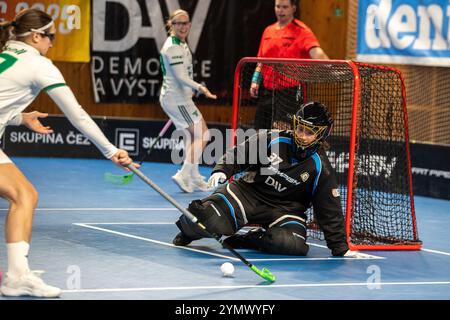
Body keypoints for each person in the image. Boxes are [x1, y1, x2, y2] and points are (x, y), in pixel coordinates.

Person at [0, 9, 136, 298]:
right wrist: (111, 151)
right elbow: (78, 115)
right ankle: (16, 277)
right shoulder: (39, 65)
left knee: (23, 195)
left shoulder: (5, 54)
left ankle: (17, 274)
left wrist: (19, 118)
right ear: (36, 36)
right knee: (24, 195)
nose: (52, 43)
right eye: (50, 37)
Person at [172, 101, 364, 258]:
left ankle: (248, 240)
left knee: (293, 244)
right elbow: (240, 153)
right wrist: (222, 170)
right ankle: (188, 232)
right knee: (206, 220)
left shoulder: (321, 168)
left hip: (286, 209)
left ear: (321, 134)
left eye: (309, 132)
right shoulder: (273, 139)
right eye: (300, 129)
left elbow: (329, 211)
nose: (302, 136)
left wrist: (341, 248)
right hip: (247, 194)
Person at [159, 9, 217, 193]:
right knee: (204, 135)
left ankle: (193, 176)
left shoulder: (180, 43)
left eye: (186, 23)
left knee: (194, 136)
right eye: (178, 23)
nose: (183, 27)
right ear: (171, 25)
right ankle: (184, 174)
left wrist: (189, 90)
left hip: (180, 96)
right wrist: (200, 88)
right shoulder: (172, 47)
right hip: (176, 99)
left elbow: (182, 76)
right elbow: (180, 76)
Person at [250, 0, 329, 130]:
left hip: (290, 90)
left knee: (281, 128)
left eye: (285, 7)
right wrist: (255, 80)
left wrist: (332, 67)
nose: (280, 10)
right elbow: (261, 60)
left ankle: (283, 150)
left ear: (293, 8)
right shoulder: (268, 31)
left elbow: (316, 52)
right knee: (260, 129)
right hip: (268, 90)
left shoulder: (301, 31)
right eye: (278, 6)